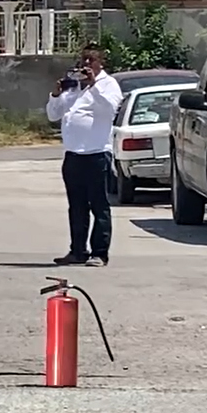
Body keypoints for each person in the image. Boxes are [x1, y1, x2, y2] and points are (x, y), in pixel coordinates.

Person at [45, 45, 123, 267]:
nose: (86, 65)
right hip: (73, 155)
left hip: (96, 153)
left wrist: (93, 86)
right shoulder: (75, 86)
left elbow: (109, 110)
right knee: (76, 206)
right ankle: (78, 251)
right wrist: (56, 94)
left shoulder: (109, 85)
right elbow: (53, 115)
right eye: (84, 61)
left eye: (91, 61)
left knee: (99, 205)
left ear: (101, 63)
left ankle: (100, 253)